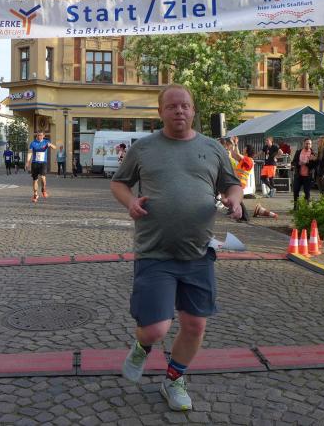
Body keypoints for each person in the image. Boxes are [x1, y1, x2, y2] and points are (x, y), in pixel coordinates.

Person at [110, 84, 242, 412]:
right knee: (156, 328)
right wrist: (130, 202)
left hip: (199, 252)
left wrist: (234, 200)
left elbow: (232, 184)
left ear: (193, 110)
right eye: (171, 106)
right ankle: (142, 347)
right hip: (155, 250)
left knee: (196, 325)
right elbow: (119, 183)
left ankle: (173, 379)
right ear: (160, 112)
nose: (179, 110)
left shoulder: (213, 148)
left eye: (185, 105)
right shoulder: (144, 148)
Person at [26, 131, 57, 202]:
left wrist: (50, 145)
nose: (39, 136)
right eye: (37, 135)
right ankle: (35, 195)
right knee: (35, 180)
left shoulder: (46, 142)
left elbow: (55, 147)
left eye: (40, 135)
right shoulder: (33, 143)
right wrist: (27, 162)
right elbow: (30, 153)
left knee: (43, 177)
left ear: (43, 136)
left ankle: (43, 190)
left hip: (43, 163)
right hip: (35, 163)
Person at [292, 138, 317, 208]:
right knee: (296, 191)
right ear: (303, 144)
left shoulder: (313, 154)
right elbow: (293, 162)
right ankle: (296, 207)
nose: (308, 145)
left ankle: (306, 207)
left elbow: (314, 166)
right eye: (306, 143)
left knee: (307, 192)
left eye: (309, 144)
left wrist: (306, 163)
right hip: (298, 175)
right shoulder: (298, 152)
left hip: (308, 176)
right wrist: (298, 163)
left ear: (311, 145)